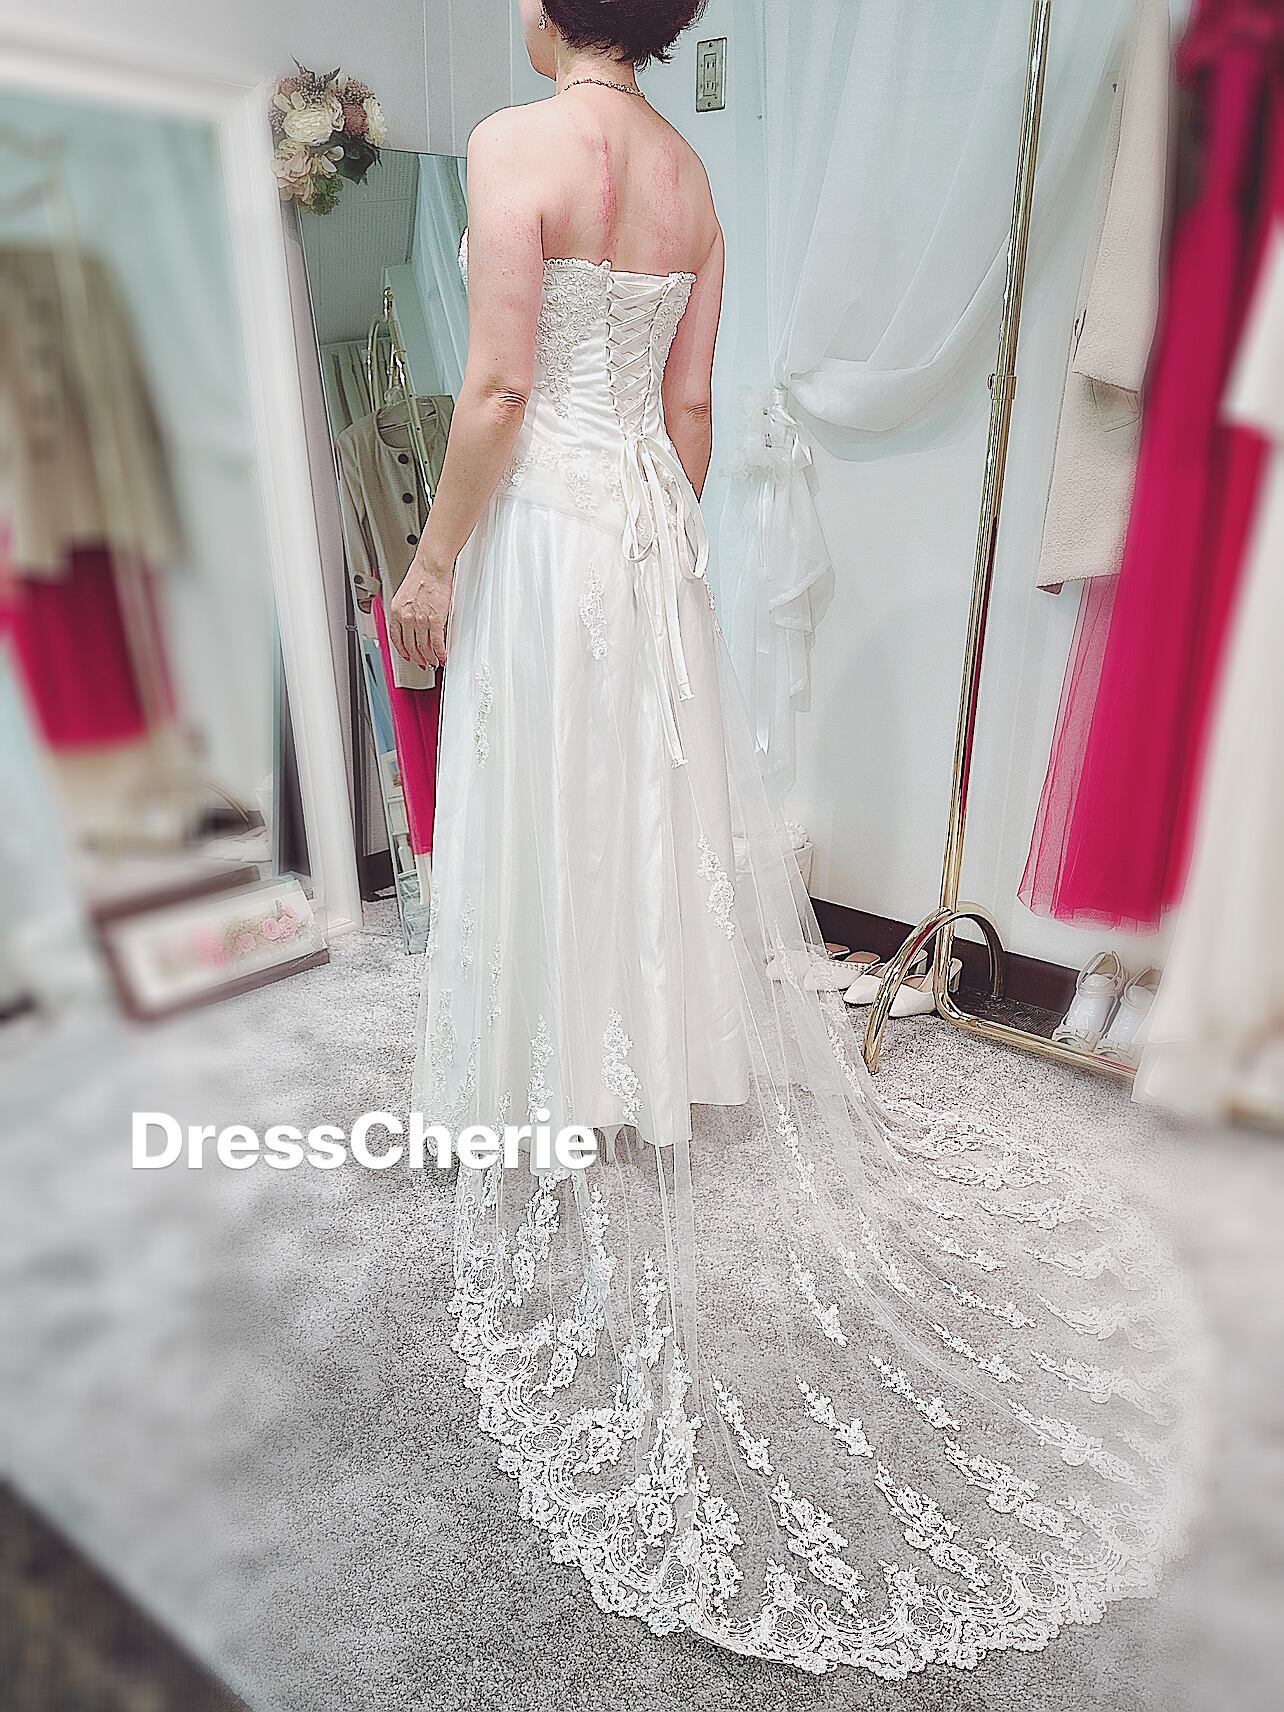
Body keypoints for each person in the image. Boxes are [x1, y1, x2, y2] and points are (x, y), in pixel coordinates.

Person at [390, 0, 1202, 1680]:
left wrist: (435, 558)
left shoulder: (514, 142)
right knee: (645, 799)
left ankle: (552, 1056)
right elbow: (689, 411)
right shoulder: (688, 177)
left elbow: (497, 386)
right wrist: (643, 517)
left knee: (551, 791)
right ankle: (648, 1044)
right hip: (642, 525)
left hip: (545, 524)